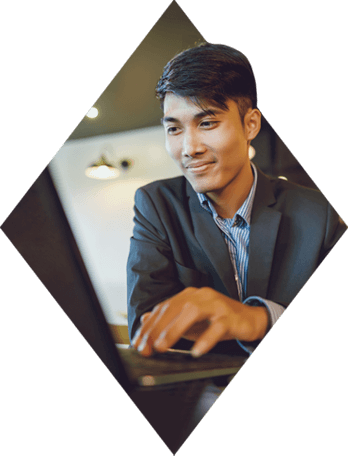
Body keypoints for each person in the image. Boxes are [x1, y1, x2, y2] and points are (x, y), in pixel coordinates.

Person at [127, 42, 346, 358]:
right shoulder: (156, 204)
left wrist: (259, 319)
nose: (189, 148)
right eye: (174, 128)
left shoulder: (317, 213)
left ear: (250, 124)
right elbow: (144, 329)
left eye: (207, 123)